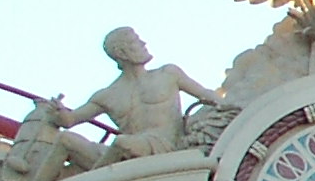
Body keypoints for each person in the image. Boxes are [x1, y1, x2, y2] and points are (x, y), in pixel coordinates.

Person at [78, 28, 221, 162]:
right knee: (68, 140)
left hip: (165, 146)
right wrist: (62, 113)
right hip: (130, 151)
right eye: (135, 41)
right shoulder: (107, 95)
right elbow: (70, 120)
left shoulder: (168, 73)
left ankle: (98, 174)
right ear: (121, 53)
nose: (143, 44)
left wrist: (225, 102)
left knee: (122, 142)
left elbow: (204, 94)